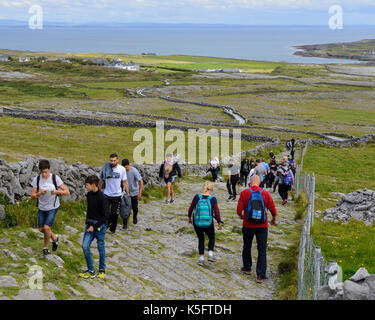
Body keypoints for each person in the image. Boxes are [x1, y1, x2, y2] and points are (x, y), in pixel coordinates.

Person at [237, 175, 277, 284]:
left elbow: (239, 210)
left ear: (250, 182)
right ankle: (261, 275)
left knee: (247, 246)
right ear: (259, 182)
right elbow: (273, 208)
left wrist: (242, 216)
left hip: (248, 225)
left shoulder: (244, 193)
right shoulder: (265, 193)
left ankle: (247, 268)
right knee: (262, 249)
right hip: (262, 226)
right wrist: (273, 219)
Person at [31, 159, 70, 256]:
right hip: (41, 207)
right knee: (41, 229)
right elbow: (32, 196)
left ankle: (45, 248)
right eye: (42, 172)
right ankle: (55, 238)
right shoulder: (37, 179)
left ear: (49, 169)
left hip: (53, 206)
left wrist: (56, 192)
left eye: (46, 172)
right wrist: (39, 193)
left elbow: (67, 191)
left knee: (46, 227)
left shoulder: (55, 178)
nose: (44, 174)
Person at [188, 181, 223, 266]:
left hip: (197, 222)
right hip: (208, 223)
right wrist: (219, 222)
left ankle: (201, 259)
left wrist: (189, 218)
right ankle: (210, 254)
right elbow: (217, 212)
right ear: (210, 189)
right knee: (211, 237)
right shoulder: (212, 199)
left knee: (201, 239)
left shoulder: (197, 197)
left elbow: (191, 208)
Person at [80, 175, 108, 279]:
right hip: (90, 224)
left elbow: (105, 217)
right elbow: (89, 211)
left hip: (100, 227)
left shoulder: (103, 198)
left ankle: (102, 270)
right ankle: (91, 270)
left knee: (101, 248)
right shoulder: (89, 195)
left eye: (87, 185)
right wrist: (88, 223)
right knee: (85, 246)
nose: (86, 187)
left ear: (93, 185)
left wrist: (95, 227)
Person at [99, 153, 129, 234]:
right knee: (105, 212)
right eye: (111, 161)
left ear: (117, 160)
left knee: (114, 213)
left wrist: (127, 192)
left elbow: (124, 181)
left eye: (114, 160)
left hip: (117, 195)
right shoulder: (105, 167)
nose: (112, 162)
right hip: (107, 194)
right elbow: (102, 180)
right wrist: (99, 190)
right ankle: (106, 225)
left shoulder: (122, 169)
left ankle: (113, 229)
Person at [121, 159, 143, 229]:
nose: (125, 169)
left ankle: (135, 216)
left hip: (134, 192)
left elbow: (141, 181)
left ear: (129, 165)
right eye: (124, 168)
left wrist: (140, 193)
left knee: (135, 208)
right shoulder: (122, 171)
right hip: (125, 192)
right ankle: (125, 224)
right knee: (126, 208)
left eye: (126, 168)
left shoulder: (134, 171)